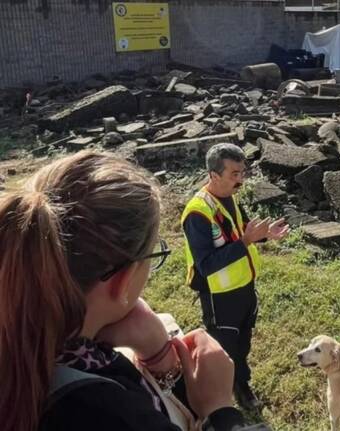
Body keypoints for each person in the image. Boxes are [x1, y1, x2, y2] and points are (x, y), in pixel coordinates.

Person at [0, 151, 246, 431]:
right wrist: (220, 410)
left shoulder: (33, 350)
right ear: (122, 282)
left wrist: (159, 357)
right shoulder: (110, 414)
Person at [182, 143, 289, 411]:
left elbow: (243, 232)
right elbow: (205, 265)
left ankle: (239, 381)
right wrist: (246, 241)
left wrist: (264, 236)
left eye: (242, 172)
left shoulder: (230, 196)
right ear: (213, 175)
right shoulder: (197, 213)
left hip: (244, 286)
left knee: (242, 342)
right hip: (220, 295)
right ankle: (231, 392)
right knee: (225, 348)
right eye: (234, 174)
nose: (240, 180)